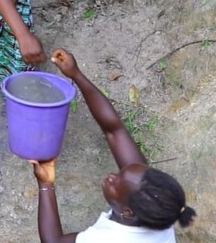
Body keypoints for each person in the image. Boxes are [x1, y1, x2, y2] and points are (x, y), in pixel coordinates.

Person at [31, 49, 196, 242]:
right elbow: (114, 131)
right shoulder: (154, 204)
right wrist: (76, 75)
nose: (111, 176)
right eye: (119, 174)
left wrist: (45, 184)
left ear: (127, 212)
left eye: (116, 183)